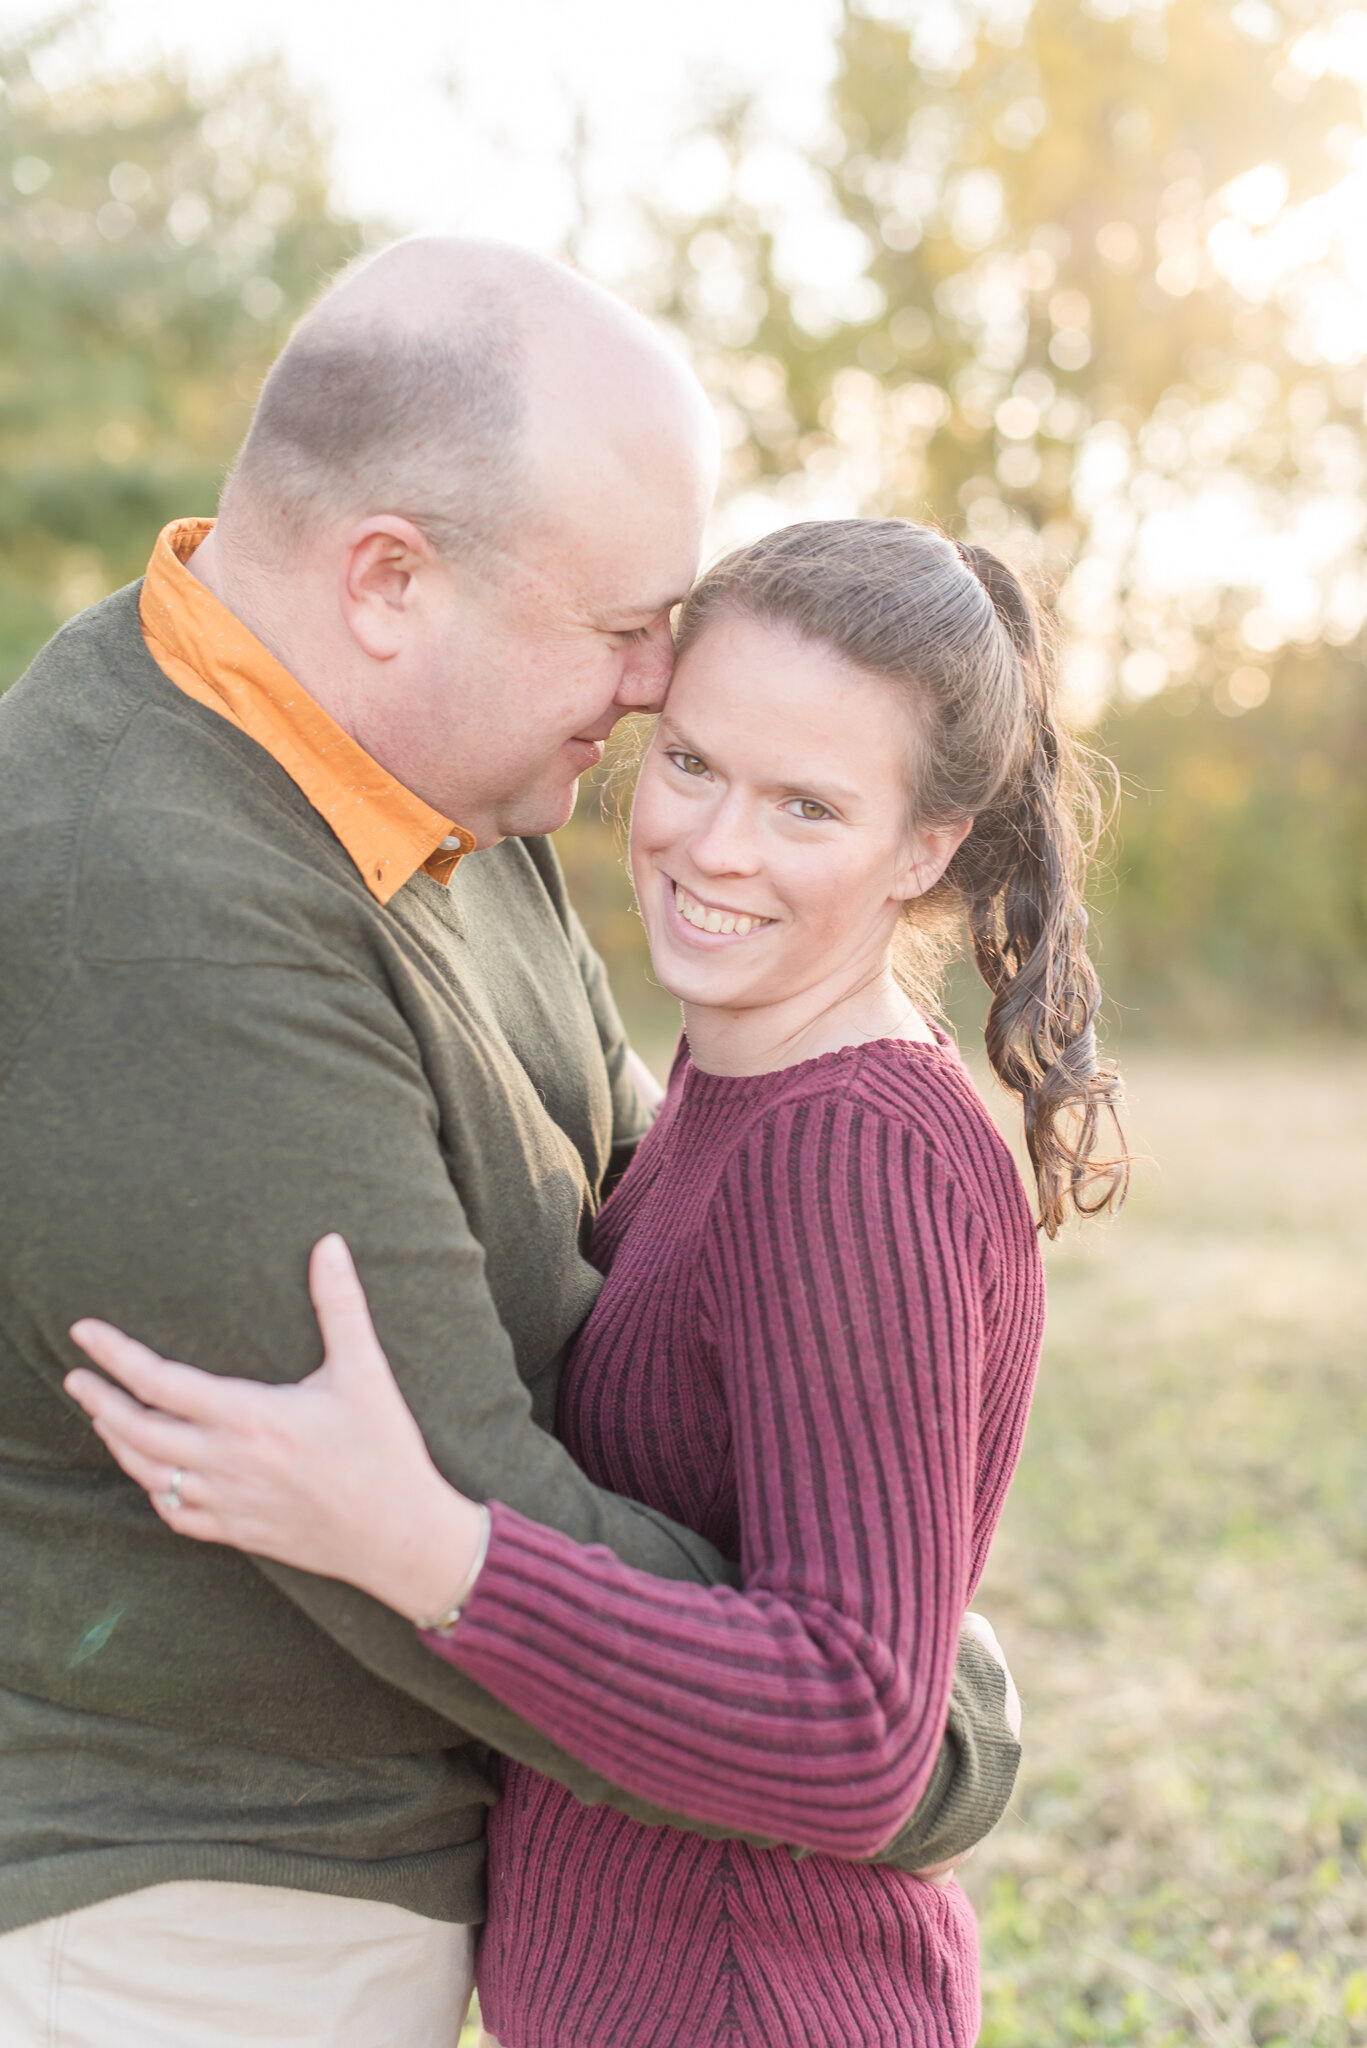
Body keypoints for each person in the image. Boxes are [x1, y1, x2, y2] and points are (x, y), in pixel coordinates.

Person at [0, 241, 1018, 2047]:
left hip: (499, 1889)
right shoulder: (146, 899)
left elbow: (626, 1246)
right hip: (195, 1916)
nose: (652, 691)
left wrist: (872, 1650)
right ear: (389, 582)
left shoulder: (437, 782)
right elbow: (456, 1488)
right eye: (626, 627)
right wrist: (919, 1728)